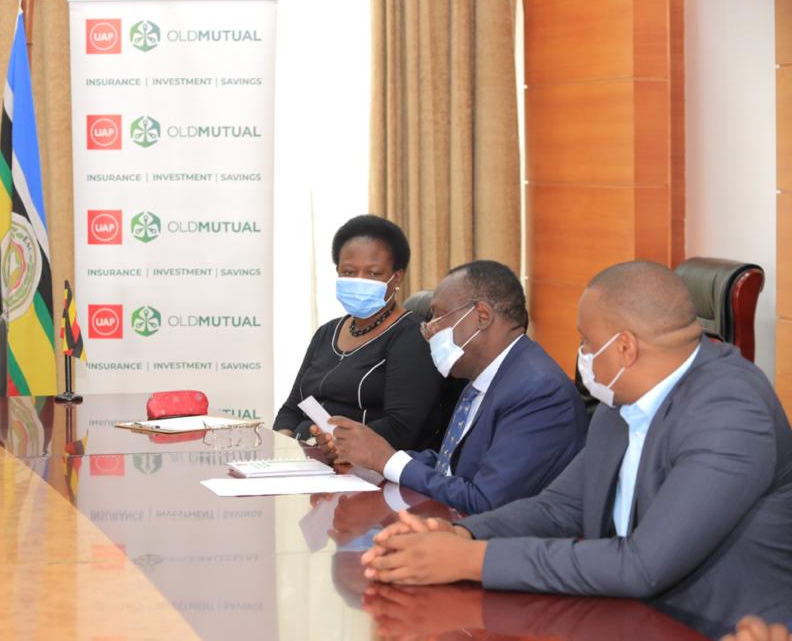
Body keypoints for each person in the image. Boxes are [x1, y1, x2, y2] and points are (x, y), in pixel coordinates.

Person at [360, 261, 792, 640]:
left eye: (586, 341)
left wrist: (471, 560)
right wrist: (460, 534)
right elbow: (559, 508)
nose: (582, 355)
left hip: (712, 628)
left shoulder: (733, 411)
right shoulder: (621, 399)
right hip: (618, 617)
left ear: (625, 347)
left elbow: (642, 566)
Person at [324, 260, 588, 515]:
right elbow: (450, 466)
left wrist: (387, 460)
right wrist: (372, 455)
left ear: (482, 316)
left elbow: (485, 502)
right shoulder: (484, 379)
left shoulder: (539, 391)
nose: (429, 329)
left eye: (439, 315)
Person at [274, 215, 445, 451]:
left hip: (361, 464)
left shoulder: (412, 337)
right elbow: (292, 408)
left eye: (373, 273)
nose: (359, 280)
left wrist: (335, 446)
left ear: (397, 277)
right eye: (349, 272)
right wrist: (281, 452)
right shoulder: (327, 332)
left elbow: (401, 427)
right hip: (305, 457)